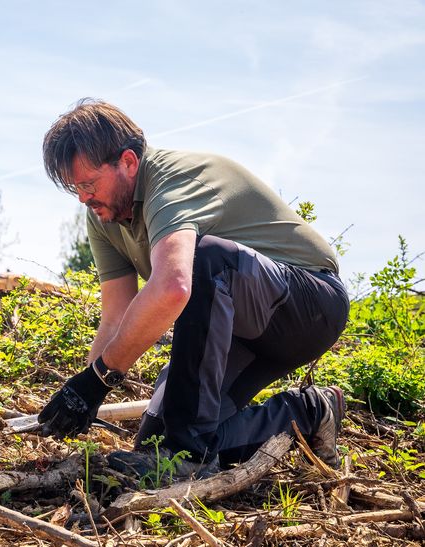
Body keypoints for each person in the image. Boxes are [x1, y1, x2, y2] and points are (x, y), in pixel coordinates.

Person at [37, 99, 350, 478]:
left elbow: (174, 287)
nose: (84, 198)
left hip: (308, 305)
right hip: (236, 329)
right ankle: (312, 411)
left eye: (89, 184)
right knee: (158, 440)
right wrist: (82, 392)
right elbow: (116, 317)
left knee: (203, 257)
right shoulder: (103, 218)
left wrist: (101, 377)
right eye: (75, 189)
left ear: (128, 162)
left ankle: (190, 456)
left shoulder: (169, 181)